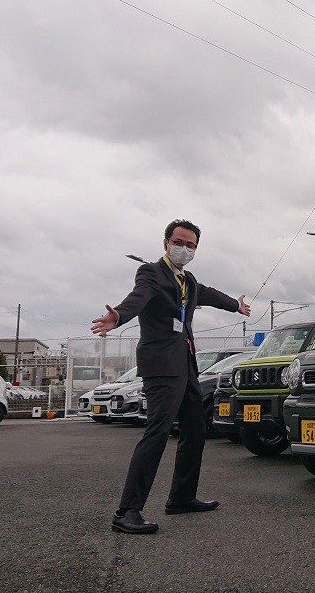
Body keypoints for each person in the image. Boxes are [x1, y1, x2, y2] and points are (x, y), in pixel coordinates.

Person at [91, 219, 251, 534]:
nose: (184, 249)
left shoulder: (188, 280)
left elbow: (209, 294)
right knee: (158, 432)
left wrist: (236, 305)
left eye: (191, 245)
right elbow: (138, 297)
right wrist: (118, 316)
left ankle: (181, 497)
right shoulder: (151, 273)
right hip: (161, 364)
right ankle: (127, 511)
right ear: (166, 243)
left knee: (196, 428)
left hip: (186, 363)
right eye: (179, 243)